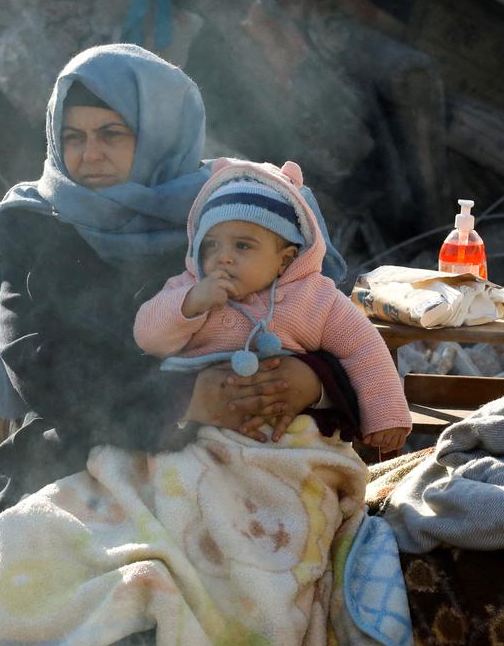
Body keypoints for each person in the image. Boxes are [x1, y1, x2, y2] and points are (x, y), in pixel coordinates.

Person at [0, 44, 360, 627]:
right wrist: (181, 402)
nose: (90, 155)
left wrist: (310, 379)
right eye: (73, 136)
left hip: (252, 449)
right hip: (83, 444)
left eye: (112, 133)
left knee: (288, 570)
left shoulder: (230, 213)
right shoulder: (33, 225)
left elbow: (325, 317)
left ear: (160, 132)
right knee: (74, 579)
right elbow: (40, 365)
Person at [134, 158, 410, 452]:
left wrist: (386, 414)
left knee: (312, 463)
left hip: (290, 429)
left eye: (242, 245)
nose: (223, 257)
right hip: (203, 429)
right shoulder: (187, 287)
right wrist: (190, 304)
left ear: (285, 259)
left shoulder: (314, 297)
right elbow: (148, 337)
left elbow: (363, 348)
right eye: (212, 244)